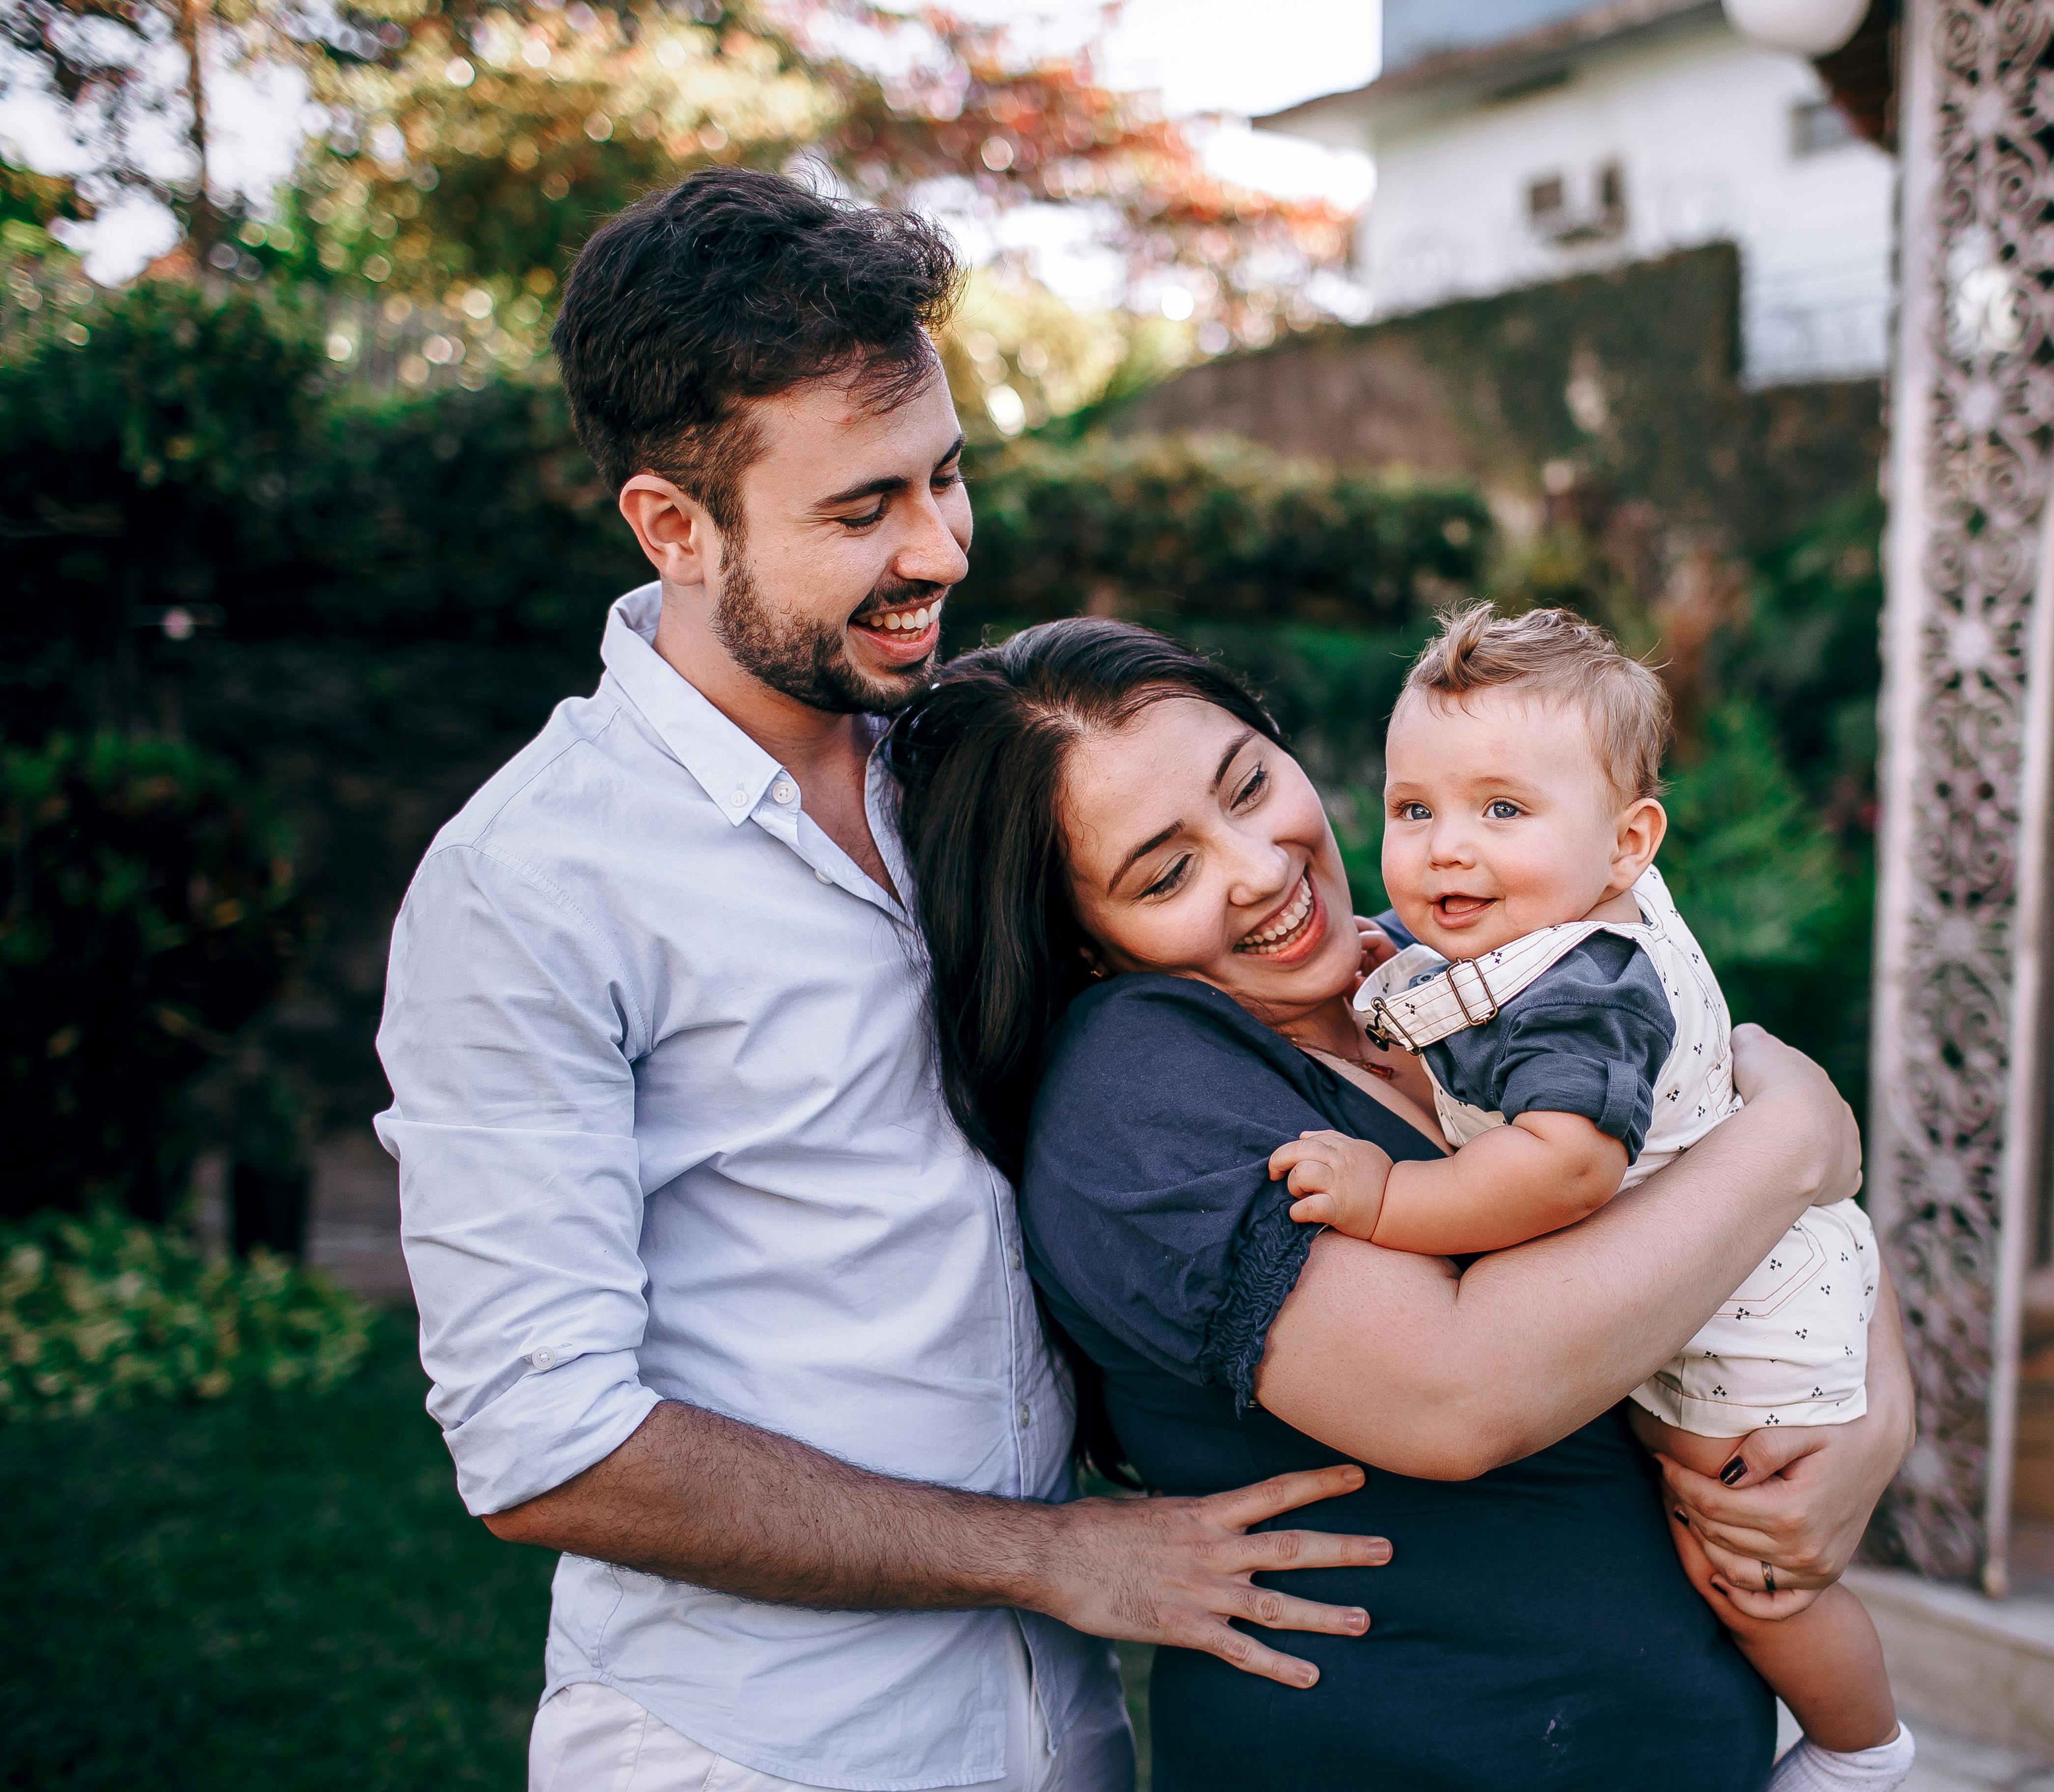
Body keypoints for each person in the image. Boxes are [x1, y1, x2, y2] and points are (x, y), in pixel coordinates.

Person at [372, 168, 1391, 1792]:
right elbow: (546, 1447)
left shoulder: (977, 770)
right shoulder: (530, 884)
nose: (939, 549)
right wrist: (1049, 1555)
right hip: (754, 1746)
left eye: (947, 476)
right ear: (672, 525)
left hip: (1070, 1722)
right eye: (862, 511)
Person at [885, 617, 1917, 1789]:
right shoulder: (1138, 1084)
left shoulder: (1453, 970)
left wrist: (1874, 1411)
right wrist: (1797, 1137)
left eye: (1250, 787)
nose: (1263, 868)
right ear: (1080, 945)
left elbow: (1708, 1193)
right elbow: (1461, 1395)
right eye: (1167, 873)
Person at [1270, 605, 1913, 1792]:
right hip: (1714, 1271)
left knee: (1745, 1564)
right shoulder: (1535, 940)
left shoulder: (1591, 988)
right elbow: (1478, 1054)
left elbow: (1562, 1166)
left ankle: (1861, 1748)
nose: (1446, 849)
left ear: (1627, 844)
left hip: (1744, 1321)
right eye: (1416, 810)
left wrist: (1386, 1201)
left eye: (1502, 811)